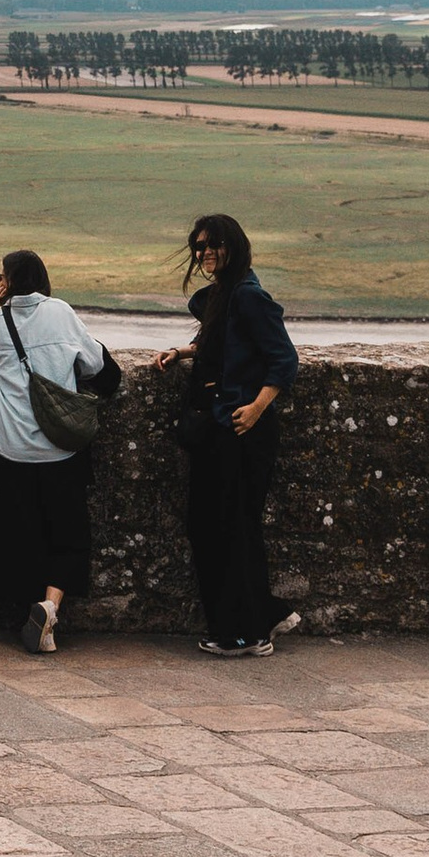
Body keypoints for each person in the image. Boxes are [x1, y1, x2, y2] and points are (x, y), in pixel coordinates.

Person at [159, 211, 299, 657]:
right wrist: (184, 351)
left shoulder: (250, 297)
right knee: (216, 525)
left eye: (212, 245)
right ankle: (264, 614)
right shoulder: (224, 296)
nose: (204, 253)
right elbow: (224, 345)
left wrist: (256, 409)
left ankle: (244, 635)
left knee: (229, 528)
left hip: (241, 429)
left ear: (232, 246)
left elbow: (284, 360)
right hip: (221, 426)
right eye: (199, 246)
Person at [0, 251, 117, 657]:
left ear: (8, 281)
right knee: (69, 534)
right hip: (61, 447)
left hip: (14, 448)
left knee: (19, 533)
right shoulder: (60, 311)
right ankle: (50, 606)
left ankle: (30, 615)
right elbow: (93, 362)